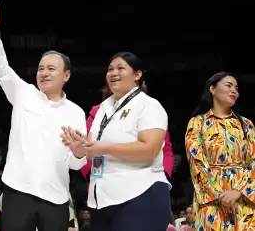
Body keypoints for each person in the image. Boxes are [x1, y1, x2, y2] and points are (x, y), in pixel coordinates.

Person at [0, 0, 88, 231]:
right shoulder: (24, 92)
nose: (44, 73)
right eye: (41, 68)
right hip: (18, 192)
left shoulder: (76, 112)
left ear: (66, 76)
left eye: (51, 69)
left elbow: (74, 164)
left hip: (56, 197)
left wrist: (80, 152)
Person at [62, 52, 171, 230]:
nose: (113, 73)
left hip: (140, 195)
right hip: (101, 199)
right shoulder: (102, 110)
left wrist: (104, 147)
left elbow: (149, 149)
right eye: (110, 69)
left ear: (137, 75)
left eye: (121, 68)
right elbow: (92, 150)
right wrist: (79, 149)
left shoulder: (149, 105)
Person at [185, 72, 255, 230]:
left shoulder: (246, 125)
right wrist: (219, 195)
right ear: (212, 89)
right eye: (228, 85)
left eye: (236, 88)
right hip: (210, 200)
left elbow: (253, 162)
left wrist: (238, 191)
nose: (234, 91)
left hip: (242, 198)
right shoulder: (197, 123)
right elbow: (197, 163)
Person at [81, 82, 175, 185]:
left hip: (144, 179)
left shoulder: (150, 109)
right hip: (104, 180)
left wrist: (163, 177)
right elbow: (85, 148)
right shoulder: (97, 113)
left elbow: (165, 149)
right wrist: (92, 175)